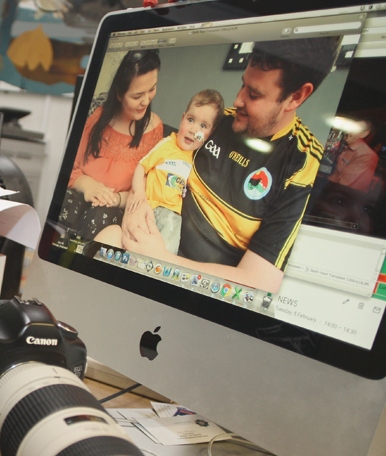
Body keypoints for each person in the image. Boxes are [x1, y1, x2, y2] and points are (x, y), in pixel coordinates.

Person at [121, 38, 339, 293]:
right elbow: (164, 160)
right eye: (243, 85)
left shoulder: (302, 163)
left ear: (296, 97)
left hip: (197, 286)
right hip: (154, 235)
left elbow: (260, 281)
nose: (237, 100)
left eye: (254, 94)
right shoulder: (217, 122)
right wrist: (137, 206)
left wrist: (163, 261)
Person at [94, 88, 223, 254]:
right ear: (182, 118)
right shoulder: (167, 144)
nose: (193, 129)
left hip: (173, 215)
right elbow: (142, 166)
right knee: (133, 245)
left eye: (203, 126)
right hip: (150, 207)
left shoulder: (196, 159)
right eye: (190, 120)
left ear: (209, 134)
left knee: (165, 254)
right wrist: (139, 192)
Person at [60, 49, 164, 239]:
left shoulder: (154, 129)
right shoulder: (96, 117)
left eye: (152, 89)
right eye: (137, 95)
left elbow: (147, 189)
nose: (146, 101)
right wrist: (89, 186)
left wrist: (116, 199)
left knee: (100, 215)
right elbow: (71, 169)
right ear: (119, 94)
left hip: (115, 210)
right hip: (80, 198)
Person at [328, 119, 379, 191]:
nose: (348, 131)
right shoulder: (344, 147)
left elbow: (343, 184)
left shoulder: (367, 155)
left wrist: (323, 175)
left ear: (363, 134)